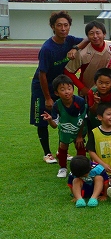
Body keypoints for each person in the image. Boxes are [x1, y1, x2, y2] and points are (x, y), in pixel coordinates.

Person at [31, 11, 86, 164]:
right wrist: (48, 97)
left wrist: (75, 48)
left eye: (66, 25)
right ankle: (47, 153)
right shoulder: (47, 48)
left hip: (60, 85)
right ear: (53, 27)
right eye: (59, 25)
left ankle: (61, 150)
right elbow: (42, 74)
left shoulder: (70, 40)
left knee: (63, 117)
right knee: (43, 118)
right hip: (42, 87)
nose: (63, 28)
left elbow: (87, 40)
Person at [41, 75, 88, 178]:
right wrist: (49, 120)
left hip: (79, 128)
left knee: (79, 146)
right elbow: (54, 126)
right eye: (62, 89)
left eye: (69, 88)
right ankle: (63, 168)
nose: (67, 92)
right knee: (63, 146)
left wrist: (79, 136)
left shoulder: (80, 102)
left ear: (73, 89)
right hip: (65, 129)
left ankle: (81, 169)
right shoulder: (56, 105)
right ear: (56, 93)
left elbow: (83, 119)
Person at [64, 21, 111, 96]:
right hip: (89, 92)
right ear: (87, 37)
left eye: (98, 33)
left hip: (108, 91)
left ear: (104, 34)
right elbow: (68, 71)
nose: (95, 36)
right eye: (91, 33)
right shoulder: (82, 53)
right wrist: (83, 88)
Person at [86, 102, 111, 184]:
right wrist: (102, 164)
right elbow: (91, 151)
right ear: (100, 117)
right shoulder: (94, 132)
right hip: (100, 167)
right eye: (109, 114)